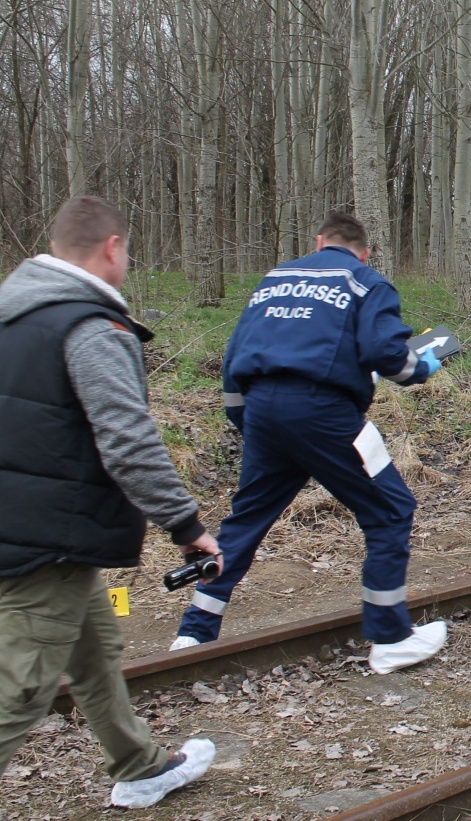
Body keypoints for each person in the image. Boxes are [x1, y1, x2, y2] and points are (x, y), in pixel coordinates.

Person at [0, 196, 220, 809]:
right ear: (112, 248)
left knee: (95, 647)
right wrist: (185, 524)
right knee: (21, 687)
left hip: (24, 523)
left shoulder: (11, 314)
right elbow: (127, 439)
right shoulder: (90, 326)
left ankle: (140, 763)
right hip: (47, 537)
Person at [172, 211, 447, 675]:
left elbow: (233, 359)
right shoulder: (365, 282)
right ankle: (391, 637)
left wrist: (251, 425)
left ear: (318, 242)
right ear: (364, 250)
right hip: (326, 415)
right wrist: (423, 366)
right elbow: (387, 356)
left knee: (246, 520)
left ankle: (193, 633)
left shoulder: (273, 280)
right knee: (390, 510)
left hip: (261, 412)